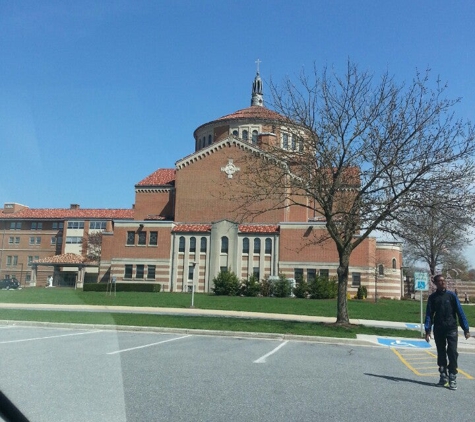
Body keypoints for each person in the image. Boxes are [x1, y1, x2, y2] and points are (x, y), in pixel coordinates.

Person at [424, 275, 470, 390]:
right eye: (440, 281)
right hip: (439, 329)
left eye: (444, 280)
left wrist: (466, 329)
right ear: (435, 283)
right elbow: (429, 314)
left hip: (451, 328)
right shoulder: (433, 298)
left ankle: (452, 376)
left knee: (452, 352)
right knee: (441, 352)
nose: (443, 282)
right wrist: (427, 330)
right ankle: (443, 375)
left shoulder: (451, 296)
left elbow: (460, 312)